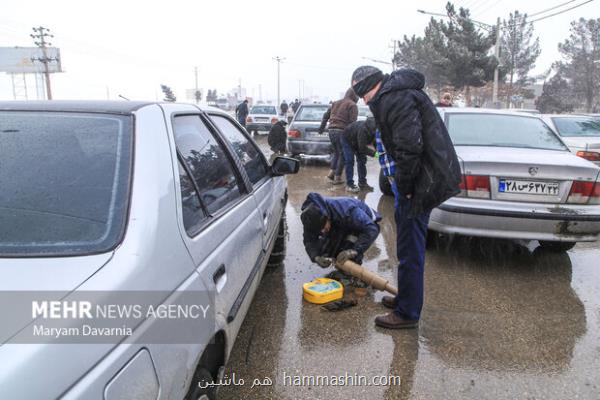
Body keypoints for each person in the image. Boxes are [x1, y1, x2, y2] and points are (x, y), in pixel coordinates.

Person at [351, 66, 461, 329]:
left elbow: (410, 147)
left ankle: (407, 313)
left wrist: (407, 186)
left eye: (363, 93)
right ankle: (406, 298)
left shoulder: (395, 98)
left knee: (410, 251)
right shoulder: (394, 95)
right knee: (405, 247)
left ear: (372, 86)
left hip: (418, 184)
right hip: (415, 183)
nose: (364, 100)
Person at [300, 192, 381, 267]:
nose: (322, 231)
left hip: (362, 225)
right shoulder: (310, 218)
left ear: (327, 217)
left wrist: (354, 251)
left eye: (323, 227)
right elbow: (309, 241)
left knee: (349, 247)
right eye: (319, 230)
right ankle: (339, 263)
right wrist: (316, 257)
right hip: (340, 223)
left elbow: (372, 228)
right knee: (323, 248)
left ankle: (352, 269)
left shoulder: (347, 210)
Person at [318, 88, 359, 189]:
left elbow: (325, 116)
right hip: (342, 131)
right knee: (343, 155)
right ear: (354, 96)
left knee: (337, 152)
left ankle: (331, 173)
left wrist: (321, 128)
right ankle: (337, 177)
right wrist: (353, 138)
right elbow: (352, 123)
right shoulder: (352, 105)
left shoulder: (335, 103)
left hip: (331, 131)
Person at [341, 117, 378, 191]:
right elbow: (362, 148)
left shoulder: (375, 129)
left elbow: (375, 141)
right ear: (369, 128)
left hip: (357, 141)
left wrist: (378, 151)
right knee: (350, 161)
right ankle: (349, 185)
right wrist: (374, 154)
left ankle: (362, 183)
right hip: (347, 140)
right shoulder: (363, 130)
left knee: (362, 160)